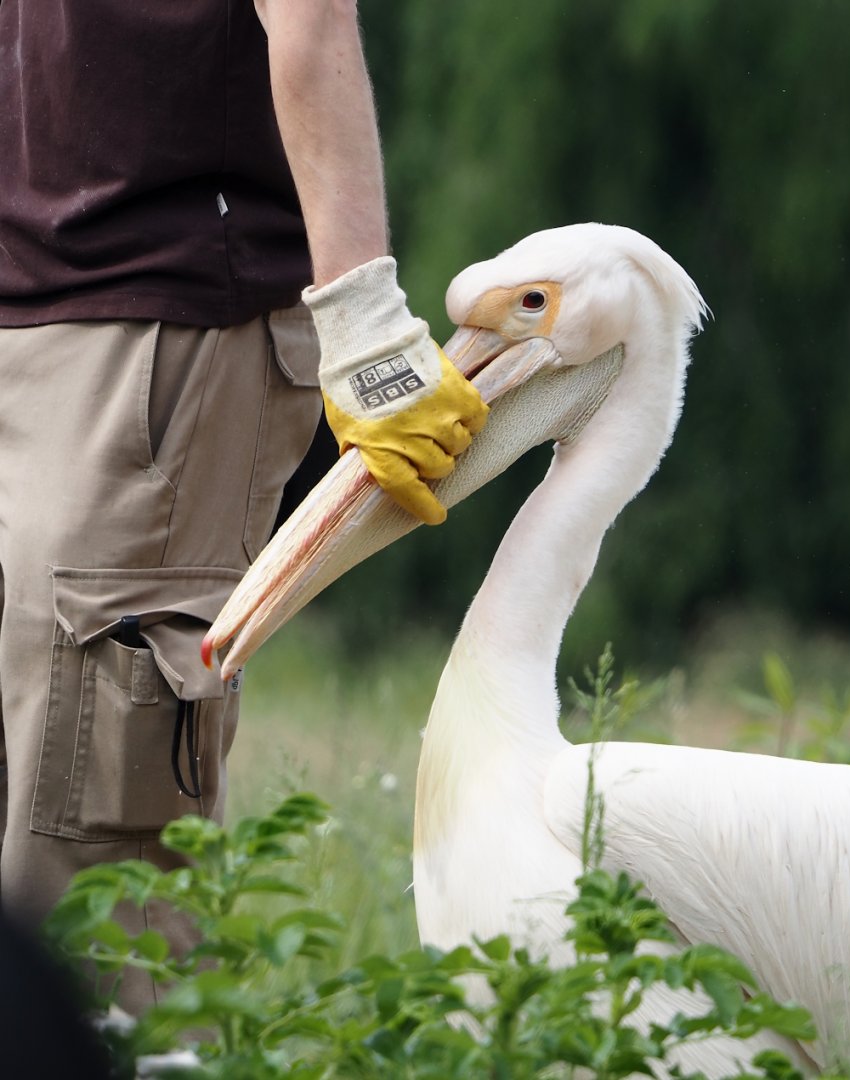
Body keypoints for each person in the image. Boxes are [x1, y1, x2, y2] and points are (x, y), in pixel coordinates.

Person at [0, 0, 486, 1012]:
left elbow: (309, 21)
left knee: (91, 887)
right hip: (26, 290)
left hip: (148, 318)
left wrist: (362, 318)